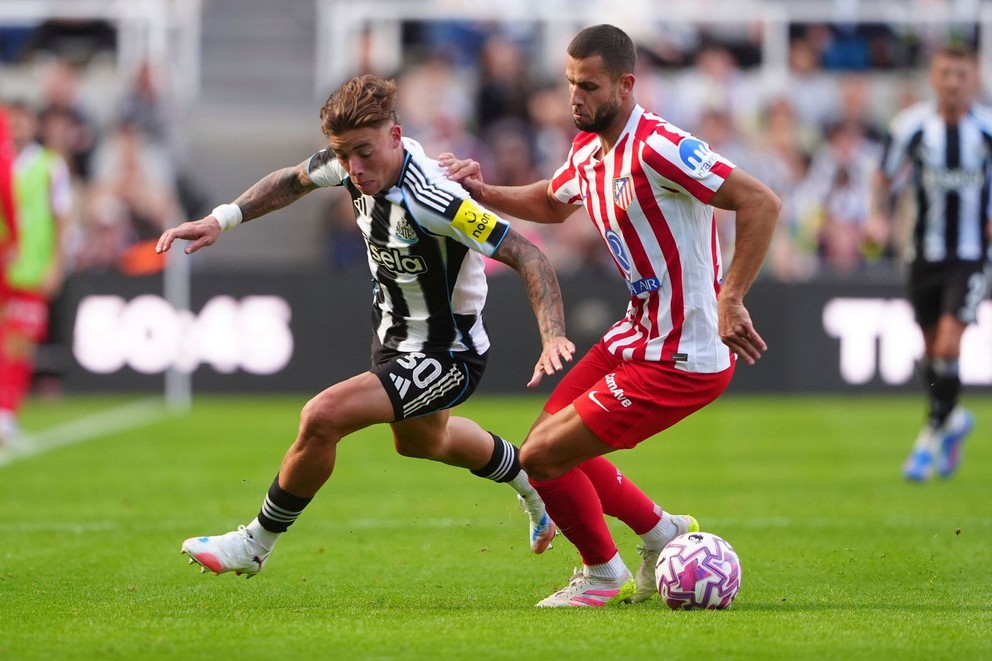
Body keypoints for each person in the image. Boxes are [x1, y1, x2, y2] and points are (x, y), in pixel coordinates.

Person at [155, 74, 575, 577]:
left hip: (448, 353)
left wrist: (552, 334)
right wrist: (220, 220)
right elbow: (292, 180)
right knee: (423, 442)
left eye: (365, 152)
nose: (354, 169)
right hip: (393, 339)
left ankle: (254, 543)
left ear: (395, 137)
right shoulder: (347, 160)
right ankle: (532, 486)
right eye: (344, 155)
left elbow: (527, 254)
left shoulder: (437, 199)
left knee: (322, 416)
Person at [441, 24, 780, 607]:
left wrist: (731, 297)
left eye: (590, 86)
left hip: (683, 354)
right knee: (545, 441)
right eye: (570, 83)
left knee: (544, 457)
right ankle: (660, 532)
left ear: (626, 85)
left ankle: (603, 573)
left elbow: (760, 201)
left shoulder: (661, 148)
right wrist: (483, 189)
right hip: (637, 333)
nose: (576, 97)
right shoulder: (589, 148)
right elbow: (552, 201)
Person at [865, 44, 991, 482]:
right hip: (922, 256)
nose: (953, 83)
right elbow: (883, 176)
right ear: (934, 78)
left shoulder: (986, 129)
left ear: (972, 78)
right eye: (946, 74)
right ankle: (953, 419)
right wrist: (878, 218)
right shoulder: (912, 127)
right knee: (930, 349)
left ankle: (930, 436)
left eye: (961, 74)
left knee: (948, 346)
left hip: (971, 254)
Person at [0, 102, 72, 442]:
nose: (16, 128)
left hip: (31, 267)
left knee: (19, 342)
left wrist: (56, 263)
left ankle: (7, 410)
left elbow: (61, 219)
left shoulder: (50, 166)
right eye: (11, 123)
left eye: (22, 122)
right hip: (3, 264)